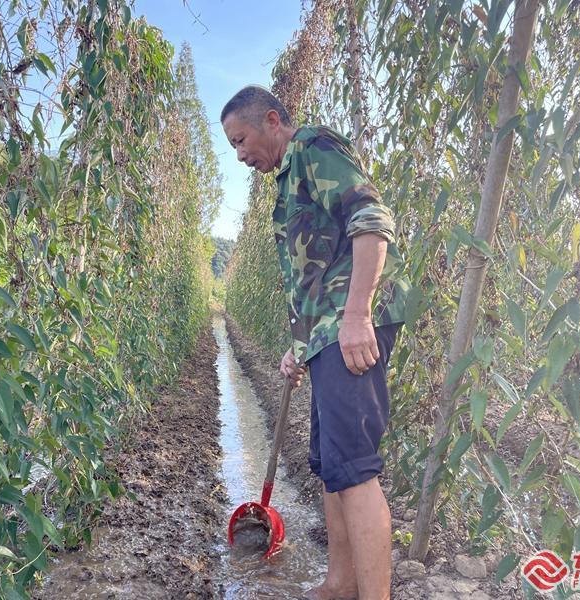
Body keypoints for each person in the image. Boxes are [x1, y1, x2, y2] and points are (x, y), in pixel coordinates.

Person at [221, 85, 405, 600]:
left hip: (350, 328)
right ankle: (340, 582)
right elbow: (314, 272)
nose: (240, 155)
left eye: (241, 140)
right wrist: (300, 343)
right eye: (233, 146)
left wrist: (357, 315)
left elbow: (371, 220)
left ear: (272, 120)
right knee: (329, 464)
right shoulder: (288, 177)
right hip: (325, 333)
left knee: (354, 467)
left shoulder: (314, 148)